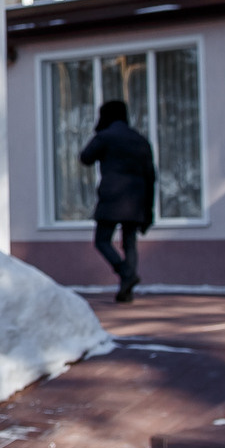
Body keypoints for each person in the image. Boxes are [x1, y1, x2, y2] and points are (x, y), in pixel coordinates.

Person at [79, 99, 156, 303]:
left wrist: (98, 133)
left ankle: (126, 274)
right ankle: (126, 287)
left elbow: (85, 157)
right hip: (137, 199)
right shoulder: (140, 139)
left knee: (102, 240)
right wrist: (149, 207)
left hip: (112, 198)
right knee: (129, 243)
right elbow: (151, 175)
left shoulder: (105, 137)